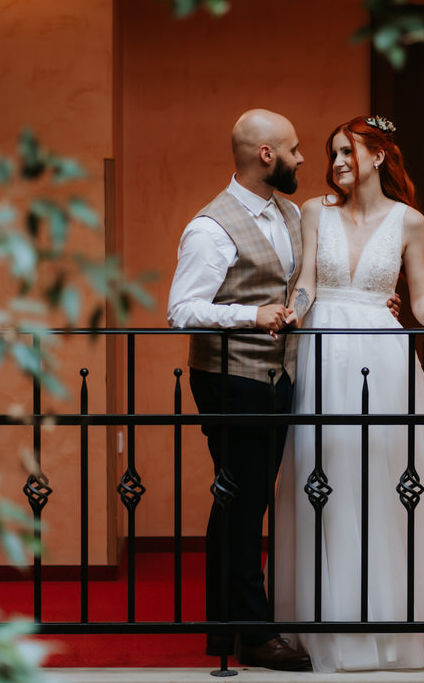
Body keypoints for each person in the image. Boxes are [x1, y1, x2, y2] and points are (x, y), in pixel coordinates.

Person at [273, 115, 424, 672]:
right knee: (324, 475)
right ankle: (328, 624)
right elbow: (308, 279)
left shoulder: (411, 222)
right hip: (323, 353)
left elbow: (420, 298)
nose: (336, 162)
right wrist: (296, 310)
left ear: (380, 156)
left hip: (383, 357)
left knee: (388, 476)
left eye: (348, 151)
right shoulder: (315, 211)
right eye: (332, 152)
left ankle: (391, 626)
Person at [166, 108, 312, 672]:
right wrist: (253, 316)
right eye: (295, 149)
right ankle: (252, 632)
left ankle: (224, 626)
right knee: (244, 498)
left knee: (240, 497)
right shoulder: (210, 227)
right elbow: (181, 311)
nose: (303, 159)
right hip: (230, 378)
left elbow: (297, 286)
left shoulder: (291, 211)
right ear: (266, 156)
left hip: (277, 374)